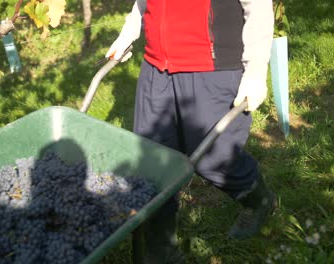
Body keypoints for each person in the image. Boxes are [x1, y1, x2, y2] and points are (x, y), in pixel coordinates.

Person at [106, 0, 277, 262]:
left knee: (214, 159)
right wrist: (130, 30)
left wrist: (255, 71)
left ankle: (258, 199)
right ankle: (160, 250)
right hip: (156, 68)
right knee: (152, 163)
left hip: (212, 66)